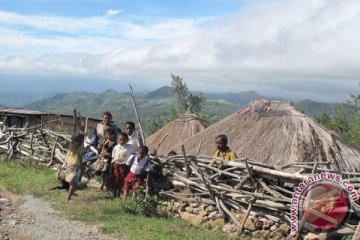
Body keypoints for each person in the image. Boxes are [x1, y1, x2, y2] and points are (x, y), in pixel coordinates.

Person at [110, 132, 137, 198]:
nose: (122, 141)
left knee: (121, 179)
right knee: (115, 179)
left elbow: (133, 155)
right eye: (120, 139)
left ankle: (119, 194)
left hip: (124, 165)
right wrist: (112, 164)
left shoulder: (130, 147)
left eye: (123, 139)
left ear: (127, 140)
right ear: (117, 140)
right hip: (115, 165)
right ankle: (114, 194)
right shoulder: (116, 147)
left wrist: (129, 164)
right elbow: (113, 157)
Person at [65, 132, 85, 202]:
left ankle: (71, 192)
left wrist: (65, 163)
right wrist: (82, 164)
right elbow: (81, 156)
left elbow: (68, 155)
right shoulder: (81, 147)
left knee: (71, 180)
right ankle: (68, 198)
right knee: (73, 183)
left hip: (69, 164)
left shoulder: (71, 145)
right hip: (75, 165)